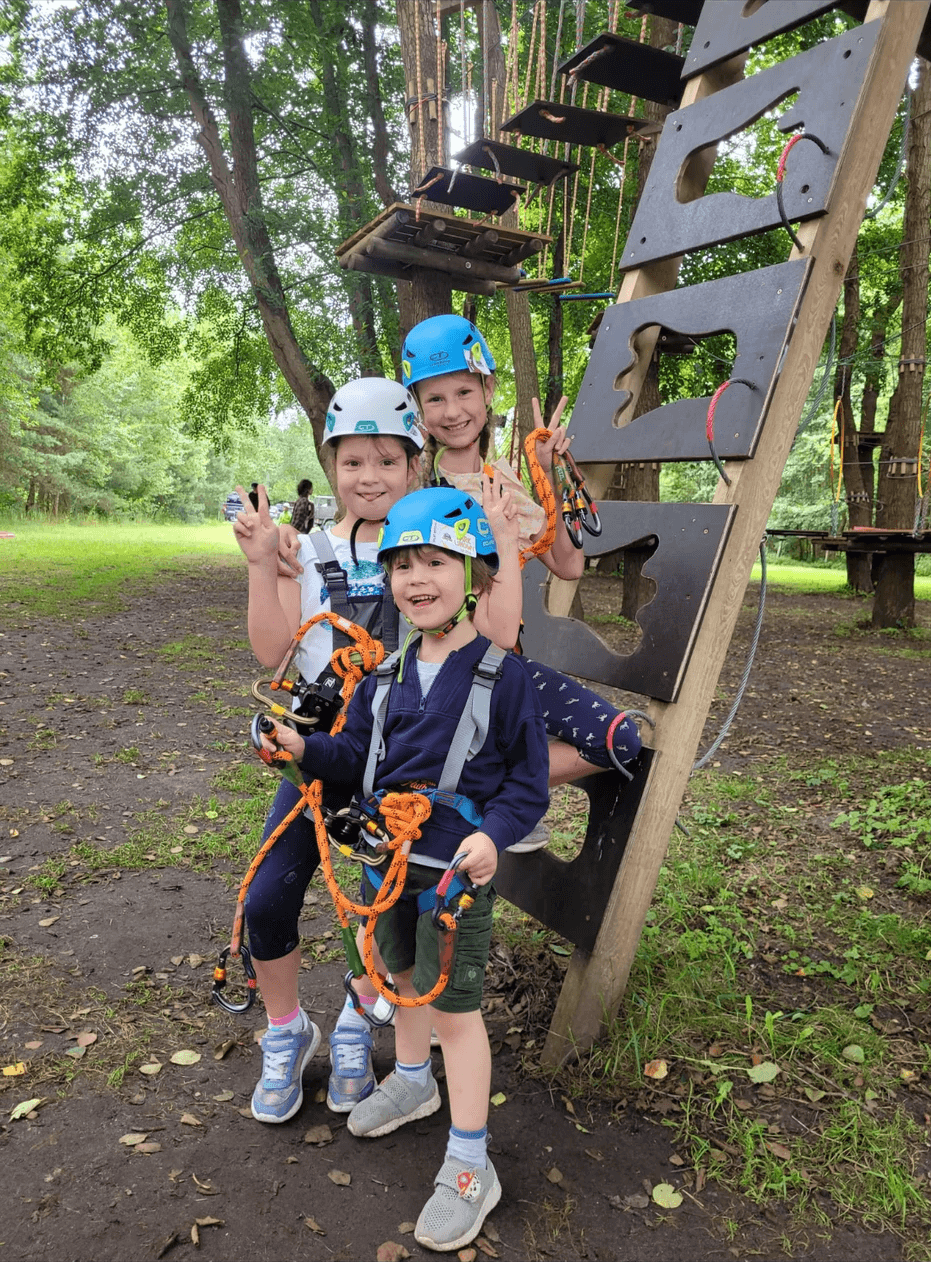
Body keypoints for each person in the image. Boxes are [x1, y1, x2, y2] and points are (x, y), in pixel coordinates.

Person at [259, 486, 549, 1252]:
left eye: (436, 562)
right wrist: (300, 748)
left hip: (454, 876)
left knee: (455, 1011)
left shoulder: (502, 675)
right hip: (387, 864)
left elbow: (526, 782)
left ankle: (468, 1162)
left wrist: (498, 837)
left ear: (473, 574)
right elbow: (352, 761)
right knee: (398, 980)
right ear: (386, 578)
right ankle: (413, 1080)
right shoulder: (382, 678)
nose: (418, 579)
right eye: (403, 565)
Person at [231, 378, 521, 1126]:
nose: (369, 478)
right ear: (330, 467)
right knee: (267, 897)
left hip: (403, 774)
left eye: (387, 462)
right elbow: (275, 652)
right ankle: (288, 1031)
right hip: (329, 752)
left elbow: (494, 640)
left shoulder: (436, 546)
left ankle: (364, 1014)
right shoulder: (314, 549)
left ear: (414, 465)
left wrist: (507, 544)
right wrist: (265, 564)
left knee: (382, 909)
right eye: (352, 462)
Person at [402, 314, 642, 793]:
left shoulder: (503, 482)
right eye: (435, 398)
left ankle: (481, 781)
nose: (452, 411)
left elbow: (569, 565)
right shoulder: (415, 486)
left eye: (464, 393)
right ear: (417, 407)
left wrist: (544, 471)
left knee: (617, 740)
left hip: (504, 662)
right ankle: (470, 779)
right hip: (446, 667)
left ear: (488, 390)